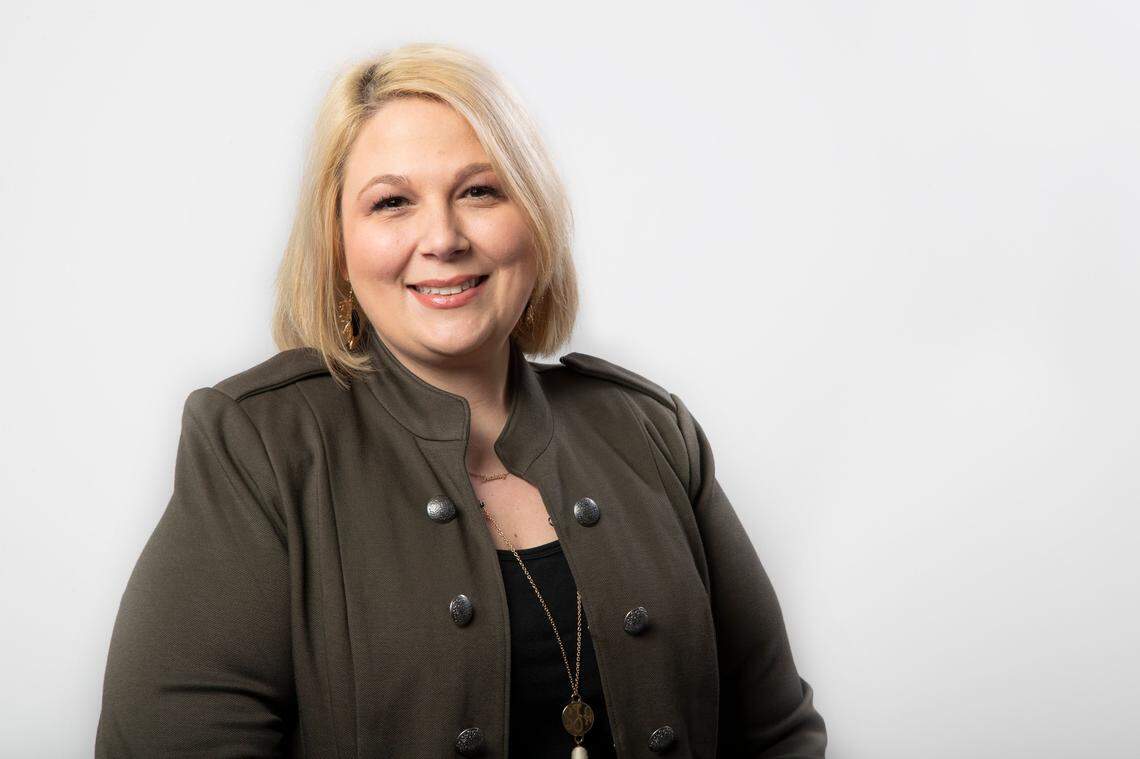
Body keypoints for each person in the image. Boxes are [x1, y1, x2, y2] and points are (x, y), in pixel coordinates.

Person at [95, 42, 827, 758]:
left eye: (480, 191)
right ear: (339, 246)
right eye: (392, 203)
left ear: (534, 219)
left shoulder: (651, 429)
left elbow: (776, 734)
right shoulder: (258, 446)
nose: (442, 238)